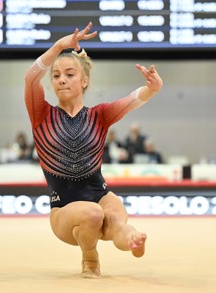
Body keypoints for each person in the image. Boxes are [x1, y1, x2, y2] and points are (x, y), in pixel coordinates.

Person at [24, 22, 163, 278]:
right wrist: (58, 47)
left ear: (84, 80)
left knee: (116, 218)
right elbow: (31, 77)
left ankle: (133, 240)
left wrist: (152, 89)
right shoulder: (41, 114)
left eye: (69, 74)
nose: (61, 80)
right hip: (63, 210)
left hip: (99, 194)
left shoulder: (99, 115)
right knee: (92, 213)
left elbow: (132, 101)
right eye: (56, 76)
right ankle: (90, 258)